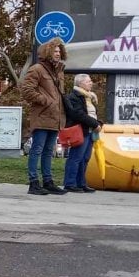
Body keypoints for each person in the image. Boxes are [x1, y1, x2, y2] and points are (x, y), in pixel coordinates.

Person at [20, 37, 67, 196]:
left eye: (59, 51)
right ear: (47, 52)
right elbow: (26, 90)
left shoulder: (59, 71)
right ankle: (33, 182)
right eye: (55, 51)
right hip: (41, 116)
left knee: (49, 151)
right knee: (37, 150)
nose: (58, 54)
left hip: (55, 117)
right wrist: (45, 101)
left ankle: (48, 181)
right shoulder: (37, 69)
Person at [62, 74, 103, 193]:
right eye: (88, 81)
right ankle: (70, 183)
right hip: (80, 130)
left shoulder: (90, 97)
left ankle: (81, 183)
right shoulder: (74, 96)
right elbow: (78, 114)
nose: (91, 83)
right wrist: (95, 124)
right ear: (80, 83)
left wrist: (99, 123)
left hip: (90, 131)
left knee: (85, 158)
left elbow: (93, 114)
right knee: (76, 157)